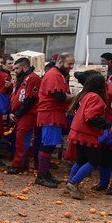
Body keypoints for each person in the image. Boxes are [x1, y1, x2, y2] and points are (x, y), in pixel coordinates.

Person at [64, 73, 112, 199]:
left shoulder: (85, 95)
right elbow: (91, 117)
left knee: (81, 160)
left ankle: (70, 183)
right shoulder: (95, 97)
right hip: (86, 134)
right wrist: (107, 125)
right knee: (94, 160)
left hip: (78, 132)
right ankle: (73, 183)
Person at [35, 52, 74, 188]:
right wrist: (76, 96)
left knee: (50, 145)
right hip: (50, 114)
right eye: (69, 64)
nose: (71, 67)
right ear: (61, 62)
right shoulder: (54, 75)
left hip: (55, 113)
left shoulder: (59, 75)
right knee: (47, 144)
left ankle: (45, 173)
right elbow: (60, 97)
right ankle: (41, 175)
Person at [8, 57, 41, 174]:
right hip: (21, 113)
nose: (15, 71)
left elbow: (30, 99)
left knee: (21, 140)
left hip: (28, 114)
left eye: (16, 68)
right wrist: (13, 112)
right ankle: (23, 163)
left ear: (24, 67)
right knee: (20, 139)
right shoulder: (22, 78)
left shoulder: (33, 78)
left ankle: (18, 165)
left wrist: (17, 113)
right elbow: (17, 97)